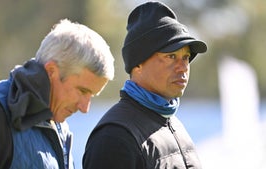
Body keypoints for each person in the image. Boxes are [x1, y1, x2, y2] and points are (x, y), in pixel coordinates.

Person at [0, 18, 114, 169]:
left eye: (92, 96)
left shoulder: (59, 125)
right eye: (82, 91)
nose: (85, 108)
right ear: (51, 71)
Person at [83, 1, 207, 169]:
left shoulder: (173, 123)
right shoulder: (114, 136)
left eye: (186, 57)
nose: (183, 67)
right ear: (138, 64)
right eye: (171, 56)